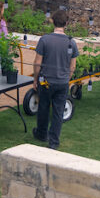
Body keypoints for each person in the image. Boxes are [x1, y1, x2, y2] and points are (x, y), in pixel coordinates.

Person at [32, 9, 79, 149]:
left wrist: (35, 79)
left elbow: (37, 63)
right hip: (62, 82)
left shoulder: (44, 40)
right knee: (58, 111)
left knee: (43, 107)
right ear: (66, 23)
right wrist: (67, 78)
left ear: (52, 21)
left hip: (45, 81)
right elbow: (73, 66)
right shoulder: (72, 43)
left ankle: (41, 134)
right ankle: (54, 142)